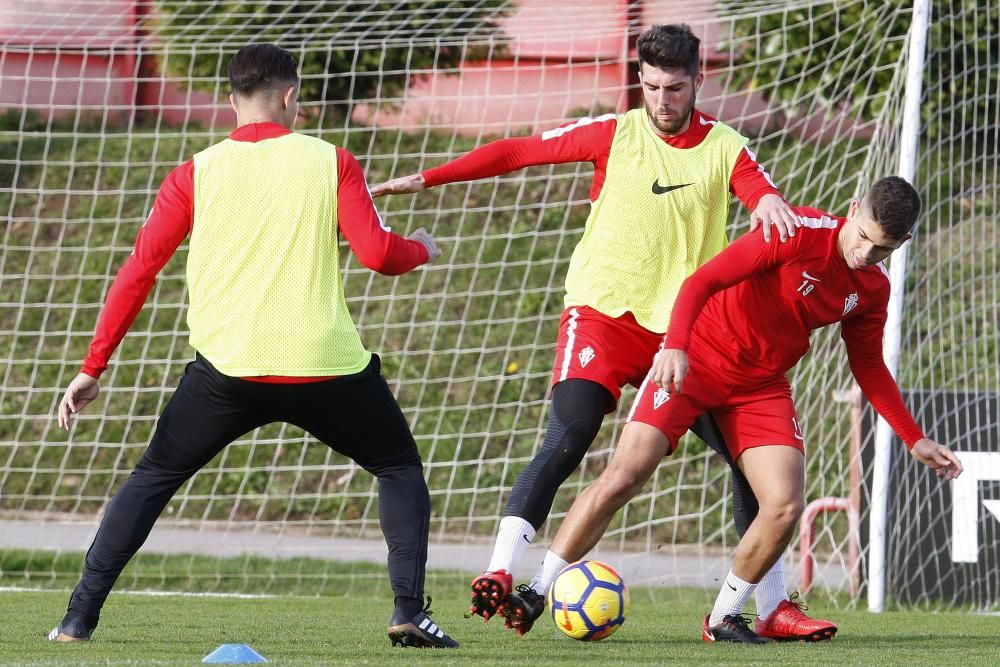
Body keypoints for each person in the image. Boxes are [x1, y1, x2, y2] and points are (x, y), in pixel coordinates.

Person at [371, 23, 815, 637]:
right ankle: (500, 572)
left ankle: (769, 607)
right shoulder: (615, 132)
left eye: (676, 88)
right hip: (604, 314)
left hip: (684, 337)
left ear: (699, 82)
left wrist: (766, 199)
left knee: (750, 463)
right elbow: (515, 152)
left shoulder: (725, 146)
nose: (664, 100)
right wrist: (430, 178)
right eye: (654, 86)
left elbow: (755, 187)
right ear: (640, 81)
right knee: (573, 429)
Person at [48, 44, 458, 649]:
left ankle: (77, 620)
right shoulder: (331, 160)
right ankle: (406, 612)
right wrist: (422, 245)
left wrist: (93, 366)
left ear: (231, 98)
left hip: (228, 371)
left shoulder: (196, 170)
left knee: (153, 477)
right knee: (397, 468)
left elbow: (139, 270)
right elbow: (379, 255)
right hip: (325, 368)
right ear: (291, 95)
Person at [537, 176, 964, 643]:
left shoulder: (872, 290)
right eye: (862, 235)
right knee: (624, 475)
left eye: (881, 249)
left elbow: (868, 365)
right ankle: (536, 590)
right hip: (696, 360)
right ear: (854, 206)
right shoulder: (794, 231)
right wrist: (675, 346)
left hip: (761, 387)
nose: (865, 254)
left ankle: (724, 617)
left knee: (784, 504)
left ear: (903, 242)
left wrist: (913, 436)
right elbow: (704, 280)